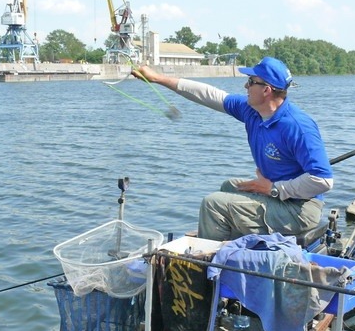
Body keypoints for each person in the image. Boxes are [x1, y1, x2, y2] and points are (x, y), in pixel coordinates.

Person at [132, 56, 333, 241]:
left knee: (213, 203)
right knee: (229, 186)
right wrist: (157, 78)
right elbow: (209, 94)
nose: (246, 85)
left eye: (251, 81)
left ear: (266, 90)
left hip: (300, 210)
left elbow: (323, 180)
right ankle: (231, 248)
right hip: (280, 196)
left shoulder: (297, 126)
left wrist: (274, 189)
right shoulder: (252, 111)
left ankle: (210, 268)